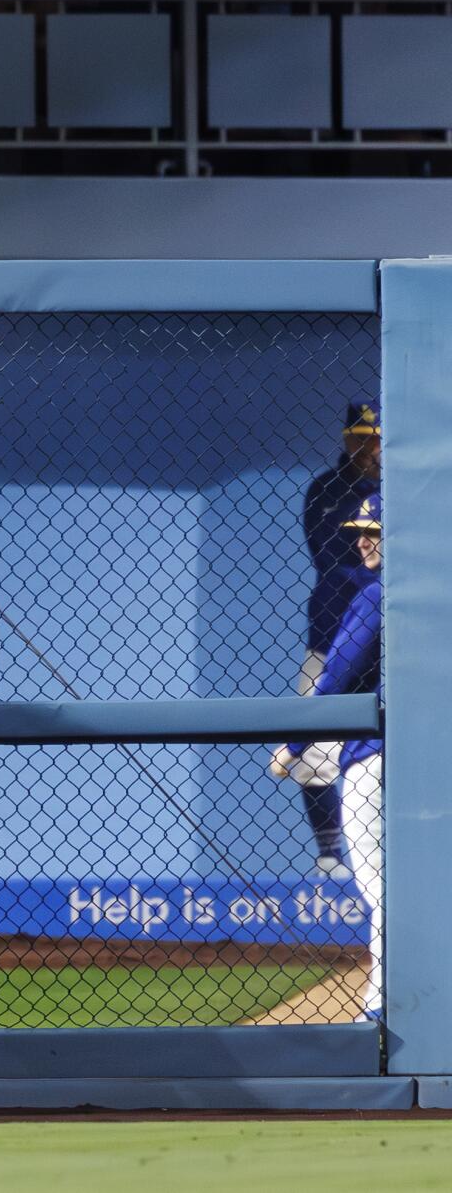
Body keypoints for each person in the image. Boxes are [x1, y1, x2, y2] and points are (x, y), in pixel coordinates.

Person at [273, 493, 382, 1024]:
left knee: (379, 884)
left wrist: (294, 743)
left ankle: (383, 1005)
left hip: (375, 759)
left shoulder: (377, 593)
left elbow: (335, 676)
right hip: (427, 759)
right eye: (361, 529)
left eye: (375, 531)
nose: (362, 538)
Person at [295, 402, 380, 879]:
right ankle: (330, 854)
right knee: (312, 751)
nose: (366, 447)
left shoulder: (402, 488)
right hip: (332, 633)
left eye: (374, 438)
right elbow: (332, 558)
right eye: (358, 438)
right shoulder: (327, 489)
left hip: (390, 644)